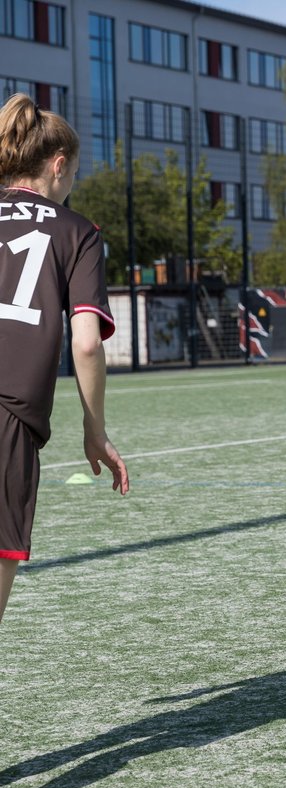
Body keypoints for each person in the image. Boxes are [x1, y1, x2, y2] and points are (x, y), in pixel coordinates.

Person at [0, 93, 128, 624]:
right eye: (72, 174)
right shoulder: (76, 231)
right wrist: (94, 429)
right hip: (8, 415)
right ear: (58, 166)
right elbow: (86, 343)